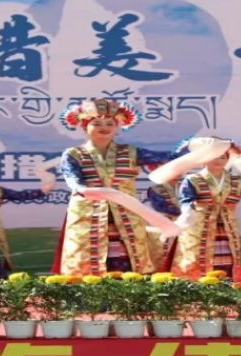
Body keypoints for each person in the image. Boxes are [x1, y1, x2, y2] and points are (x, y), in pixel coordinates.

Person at [53, 98, 198, 276]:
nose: (104, 127)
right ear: (84, 127)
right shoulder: (73, 154)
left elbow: (168, 158)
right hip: (88, 212)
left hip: (127, 211)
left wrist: (192, 145)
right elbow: (73, 180)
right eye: (96, 123)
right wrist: (83, 189)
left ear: (117, 128)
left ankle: (130, 291)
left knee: (129, 255)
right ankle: (89, 291)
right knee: (86, 257)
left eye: (110, 123)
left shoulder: (130, 152)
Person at [169, 140, 241, 279]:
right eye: (214, 157)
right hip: (198, 226)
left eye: (223, 157)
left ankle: (227, 285)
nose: (218, 161)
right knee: (194, 258)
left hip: (227, 226)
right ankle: (196, 288)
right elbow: (186, 201)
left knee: (228, 258)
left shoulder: (237, 180)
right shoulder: (192, 179)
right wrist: (187, 215)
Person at [145, 177, 181, 271]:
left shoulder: (184, 186)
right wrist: (184, 210)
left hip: (180, 223)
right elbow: (160, 207)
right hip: (161, 223)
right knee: (160, 252)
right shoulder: (155, 189)